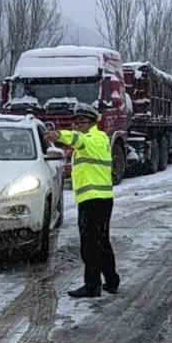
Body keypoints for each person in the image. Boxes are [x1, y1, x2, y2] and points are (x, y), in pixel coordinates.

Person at [45, 103, 120, 298]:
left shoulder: (91, 138)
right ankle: (111, 281)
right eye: (75, 122)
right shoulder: (100, 138)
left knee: (90, 245)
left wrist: (59, 135)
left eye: (81, 122)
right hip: (102, 198)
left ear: (92, 122)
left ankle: (92, 285)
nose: (76, 126)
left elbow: (75, 138)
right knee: (101, 241)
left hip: (92, 200)